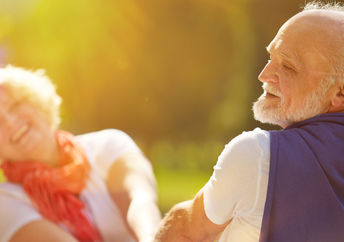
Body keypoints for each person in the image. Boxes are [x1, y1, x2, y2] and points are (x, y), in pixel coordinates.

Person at [154, 2, 344, 242]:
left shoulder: (259, 154)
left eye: (288, 66)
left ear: (339, 93)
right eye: (270, 57)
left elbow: (185, 230)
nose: (263, 75)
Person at [0, 65, 161, 242]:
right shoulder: (5, 201)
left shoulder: (109, 145)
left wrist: (151, 238)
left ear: (37, 102)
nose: (9, 121)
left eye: (14, 106)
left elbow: (139, 201)